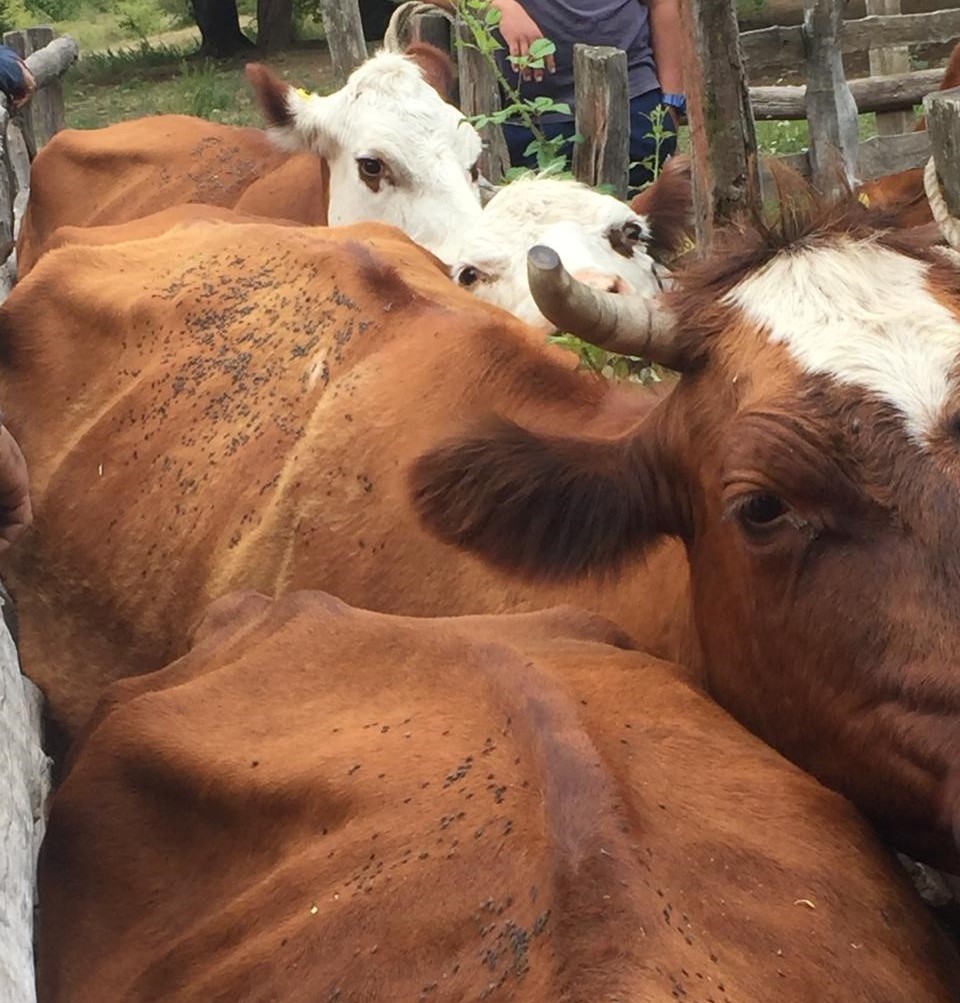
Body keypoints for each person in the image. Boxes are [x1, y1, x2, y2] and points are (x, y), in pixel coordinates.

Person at [491, 0, 683, 190]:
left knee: (635, 216)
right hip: (529, 121)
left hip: (634, 104)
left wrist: (672, 101)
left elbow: (663, 4)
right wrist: (502, 6)